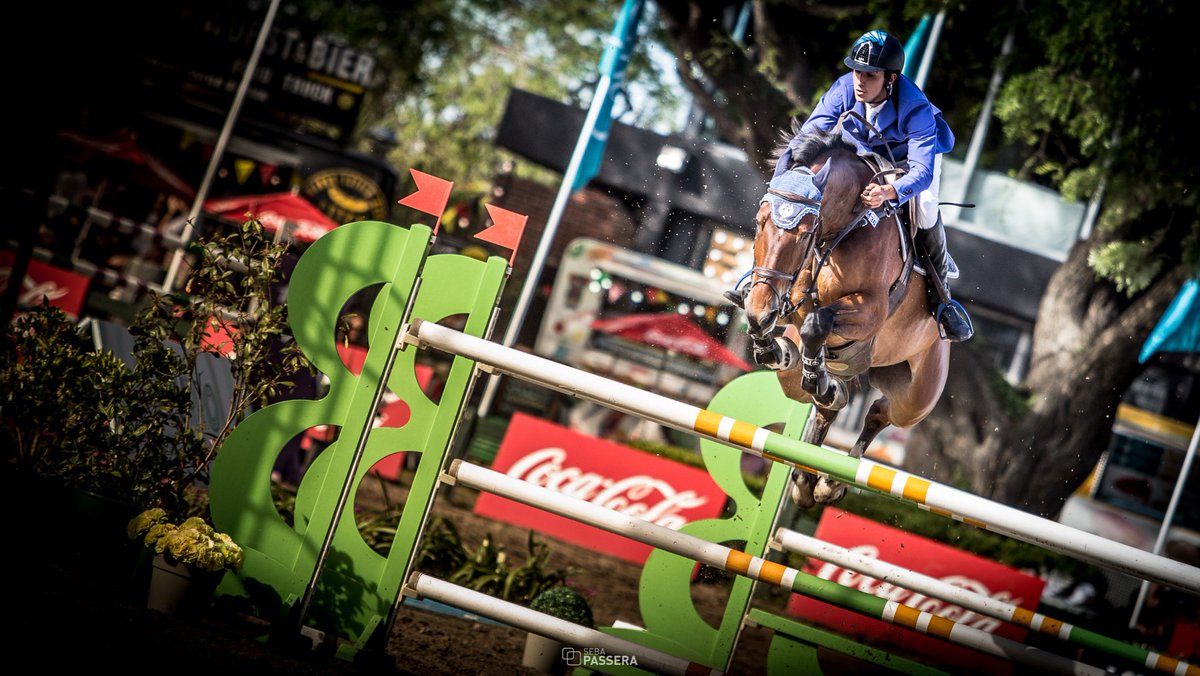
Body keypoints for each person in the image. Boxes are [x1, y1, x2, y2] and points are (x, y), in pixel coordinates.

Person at [764, 30, 974, 342]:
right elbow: (803, 143)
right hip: (861, 151)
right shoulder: (844, 89)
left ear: (890, 79)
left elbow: (921, 172)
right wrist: (779, 185)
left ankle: (942, 298)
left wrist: (890, 191)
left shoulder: (915, 108)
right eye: (857, 71)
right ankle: (768, 276)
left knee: (926, 210)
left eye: (870, 75)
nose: (860, 81)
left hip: (909, 162)